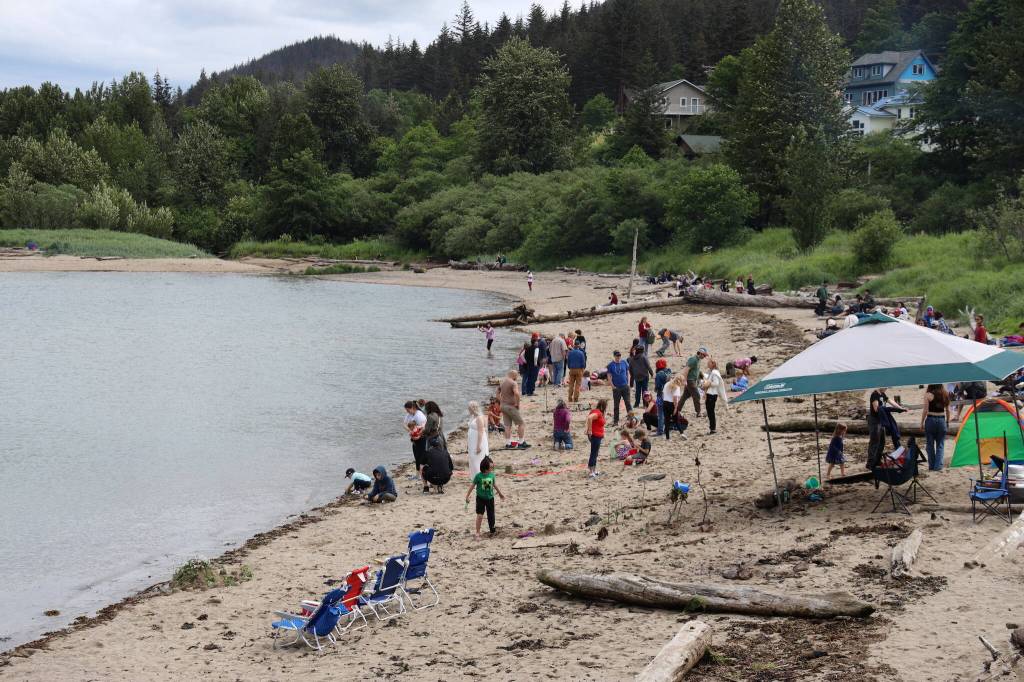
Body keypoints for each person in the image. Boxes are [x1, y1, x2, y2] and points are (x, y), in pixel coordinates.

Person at [466, 456, 504, 539]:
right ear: (485, 468)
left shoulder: (492, 475)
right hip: (480, 499)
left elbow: (494, 485)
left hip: (490, 498)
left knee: (491, 515)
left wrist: (500, 494)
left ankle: (492, 530)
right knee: (480, 515)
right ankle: (477, 532)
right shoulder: (478, 476)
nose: (492, 468)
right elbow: (472, 486)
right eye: (491, 467)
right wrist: (467, 496)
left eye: (492, 466)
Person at [867, 387, 899, 469]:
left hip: (881, 420)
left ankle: (877, 460)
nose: (886, 388)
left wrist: (899, 408)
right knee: (875, 441)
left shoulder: (882, 394)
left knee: (882, 442)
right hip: (874, 421)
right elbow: (876, 409)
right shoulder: (875, 394)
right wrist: (886, 409)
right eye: (885, 387)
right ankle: (870, 463)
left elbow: (890, 401)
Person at [921, 384, 951, 471]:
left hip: (930, 419)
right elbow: (948, 410)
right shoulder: (945, 394)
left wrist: (921, 422)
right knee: (940, 445)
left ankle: (931, 465)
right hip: (941, 420)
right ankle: (937, 466)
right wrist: (947, 422)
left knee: (929, 445)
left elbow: (925, 410)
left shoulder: (928, 395)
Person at [497, 370, 528, 448]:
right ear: (514, 375)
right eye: (516, 376)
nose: (517, 378)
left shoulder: (502, 382)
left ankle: (508, 443)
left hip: (503, 406)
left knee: (507, 425)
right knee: (521, 423)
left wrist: (502, 401)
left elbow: (497, 394)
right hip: (510, 406)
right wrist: (517, 404)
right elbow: (517, 394)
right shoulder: (513, 383)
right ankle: (521, 442)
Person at [703, 358, 728, 435]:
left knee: (711, 412)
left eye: (709, 362)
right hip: (710, 394)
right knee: (709, 411)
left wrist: (709, 383)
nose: (707, 363)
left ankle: (713, 429)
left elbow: (716, 383)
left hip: (712, 395)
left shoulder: (714, 372)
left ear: (713, 364)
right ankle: (712, 428)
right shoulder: (711, 372)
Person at [681, 347, 708, 417]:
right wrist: (685, 380)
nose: (704, 357)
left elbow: (697, 370)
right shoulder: (693, 359)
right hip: (690, 381)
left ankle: (677, 410)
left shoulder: (699, 360)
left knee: (684, 397)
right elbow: (686, 369)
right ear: (701, 353)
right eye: (704, 355)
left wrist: (701, 376)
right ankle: (698, 412)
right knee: (697, 396)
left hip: (693, 380)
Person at [607, 350, 631, 426]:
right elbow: (609, 376)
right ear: (614, 356)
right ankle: (616, 421)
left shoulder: (624, 362)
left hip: (625, 386)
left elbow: (627, 373)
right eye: (617, 356)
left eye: (619, 355)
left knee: (628, 403)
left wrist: (628, 383)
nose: (618, 357)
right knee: (616, 405)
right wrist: (612, 386)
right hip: (616, 388)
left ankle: (631, 419)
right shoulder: (611, 365)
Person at [585, 399, 607, 478]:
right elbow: (590, 418)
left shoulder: (596, 412)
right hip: (595, 435)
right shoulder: (598, 413)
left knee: (595, 453)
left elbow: (588, 418)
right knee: (594, 453)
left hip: (597, 435)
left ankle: (593, 470)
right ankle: (591, 471)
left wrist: (587, 429)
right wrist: (590, 430)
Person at [467, 400, 489, 478]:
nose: (468, 410)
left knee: (478, 459)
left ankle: (480, 476)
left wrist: (478, 446)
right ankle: (475, 477)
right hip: (472, 442)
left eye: (469, 408)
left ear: (473, 408)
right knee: (472, 459)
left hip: (478, 441)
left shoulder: (479, 418)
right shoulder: (473, 417)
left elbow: (481, 432)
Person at [404, 401, 428, 473]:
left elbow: (424, 428)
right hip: (414, 439)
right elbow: (404, 424)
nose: (407, 411)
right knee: (416, 455)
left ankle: (422, 472)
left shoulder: (419, 415)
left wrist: (419, 436)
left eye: (408, 410)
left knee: (421, 456)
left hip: (422, 438)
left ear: (413, 408)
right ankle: (418, 473)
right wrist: (410, 431)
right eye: (406, 410)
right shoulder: (410, 414)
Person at [662, 374, 686, 440]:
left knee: (667, 421)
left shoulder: (667, 384)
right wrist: (675, 407)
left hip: (665, 403)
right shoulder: (677, 387)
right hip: (672, 404)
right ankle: (682, 433)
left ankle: (667, 437)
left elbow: (663, 394)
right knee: (676, 420)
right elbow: (675, 398)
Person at [653, 358, 672, 436]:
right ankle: (666, 429)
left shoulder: (659, 374)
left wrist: (655, 389)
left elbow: (657, 386)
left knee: (660, 413)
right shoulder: (669, 372)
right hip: (669, 395)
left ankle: (660, 430)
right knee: (667, 413)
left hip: (661, 395)